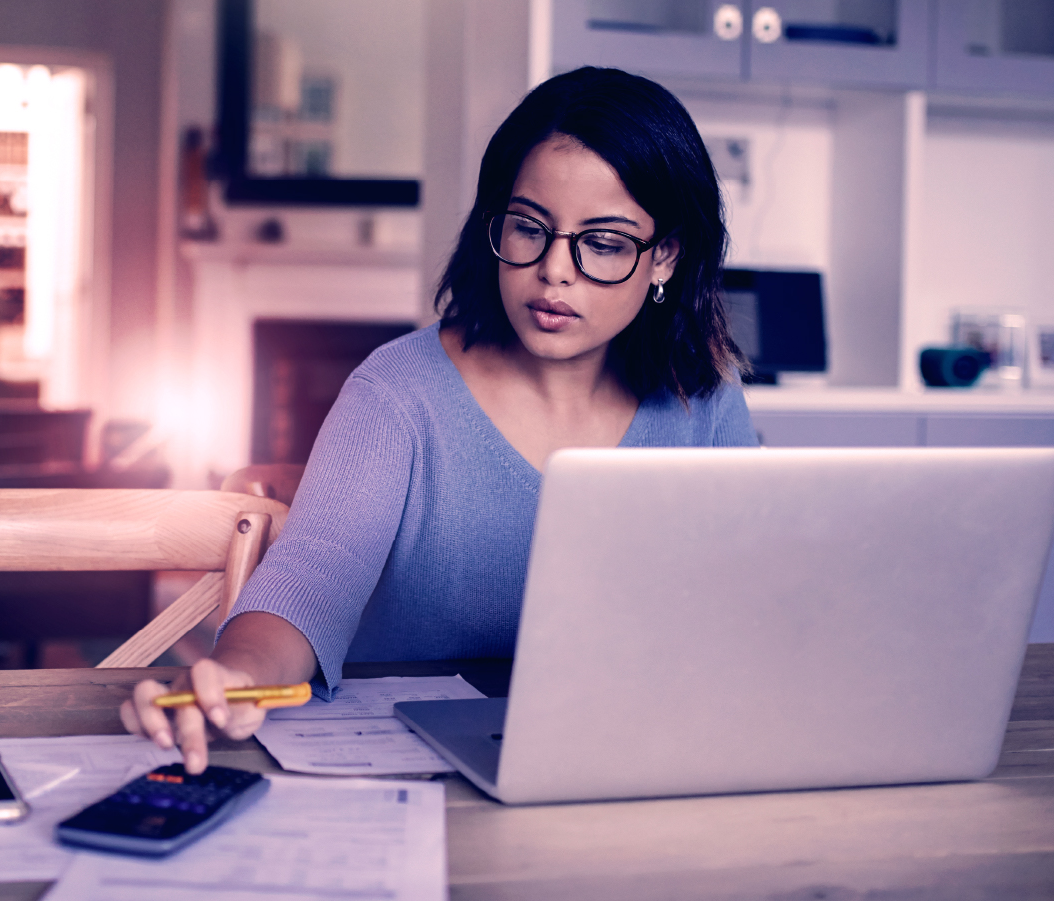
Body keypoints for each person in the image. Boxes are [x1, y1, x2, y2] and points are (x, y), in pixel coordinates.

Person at [122, 67, 757, 772]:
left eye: (603, 242)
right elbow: (310, 577)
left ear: (664, 254)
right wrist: (237, 673)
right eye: (528, 228)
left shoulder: (704, 396)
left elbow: (751, 601)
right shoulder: (395, 393)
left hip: (625, 762)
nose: (553, 271)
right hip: (407, 773)